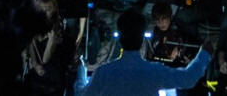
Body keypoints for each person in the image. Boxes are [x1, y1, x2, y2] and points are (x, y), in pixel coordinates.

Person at [80, 8, 210, 96]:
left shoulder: (104, 73)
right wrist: (204, 53)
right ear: (142, 38)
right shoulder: (154, 71)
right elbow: (188, 79)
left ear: (119, 37)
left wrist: (80, 68)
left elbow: (82, 94)